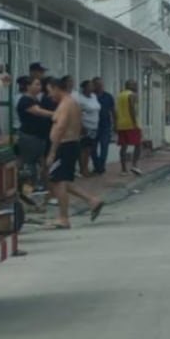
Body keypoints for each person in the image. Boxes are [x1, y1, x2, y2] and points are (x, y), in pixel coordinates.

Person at [45, 76, 104, 229]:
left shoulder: (66, 104)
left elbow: (60, 127)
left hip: (65, 145)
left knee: (58, 182)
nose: (49, 95)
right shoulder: (72, 102)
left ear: (56, 88)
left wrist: (52, 151)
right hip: (71, 144)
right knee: (61, 180)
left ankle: (63, 218)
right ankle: (92, 200)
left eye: (50, 91)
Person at [16, 76, 54, 193]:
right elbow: (38, 112)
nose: (39, 87)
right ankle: (29, 191)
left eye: (40, 85)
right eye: (36, 84)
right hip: (29, 137)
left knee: (40, 164)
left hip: (39, 137)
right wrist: (57, 113)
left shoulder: (35, 99)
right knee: (29, 166)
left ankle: (39, 189)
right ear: (28, 86)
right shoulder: (25, 100)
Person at [75, 80, 102, 176]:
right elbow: (78, 113)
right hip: (85, 126)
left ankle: (86, 167)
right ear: (84, 88)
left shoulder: (94, 96)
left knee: (89, 149)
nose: (92, 87)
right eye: (90, 86)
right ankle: (82, 169)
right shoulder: (80, 99)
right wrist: (81, 125)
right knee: (83, 148)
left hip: (94, 125)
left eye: (92, 86)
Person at [116, 79, 142, 175]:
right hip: (131, 124)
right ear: (130, 86)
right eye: (135, 85)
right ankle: (134, 165)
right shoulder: (132, 95)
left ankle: (123, 169)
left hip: (121, 124)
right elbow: (132, 108)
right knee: (138, 145)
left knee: (123, 147)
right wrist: (135, 122)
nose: (136, 87)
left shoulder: (120, 95)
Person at [92, 77, 115, 175]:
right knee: (92, 148)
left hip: (105, 125)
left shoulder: (108, 96)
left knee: (104, 146)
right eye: (97, 84)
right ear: (94, 85)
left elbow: (113, 110)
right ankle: (97, 165)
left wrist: (115, 124)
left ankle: (101, 167)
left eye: (101, 84)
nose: (100, 86)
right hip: (93, 125)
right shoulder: (91, 96)